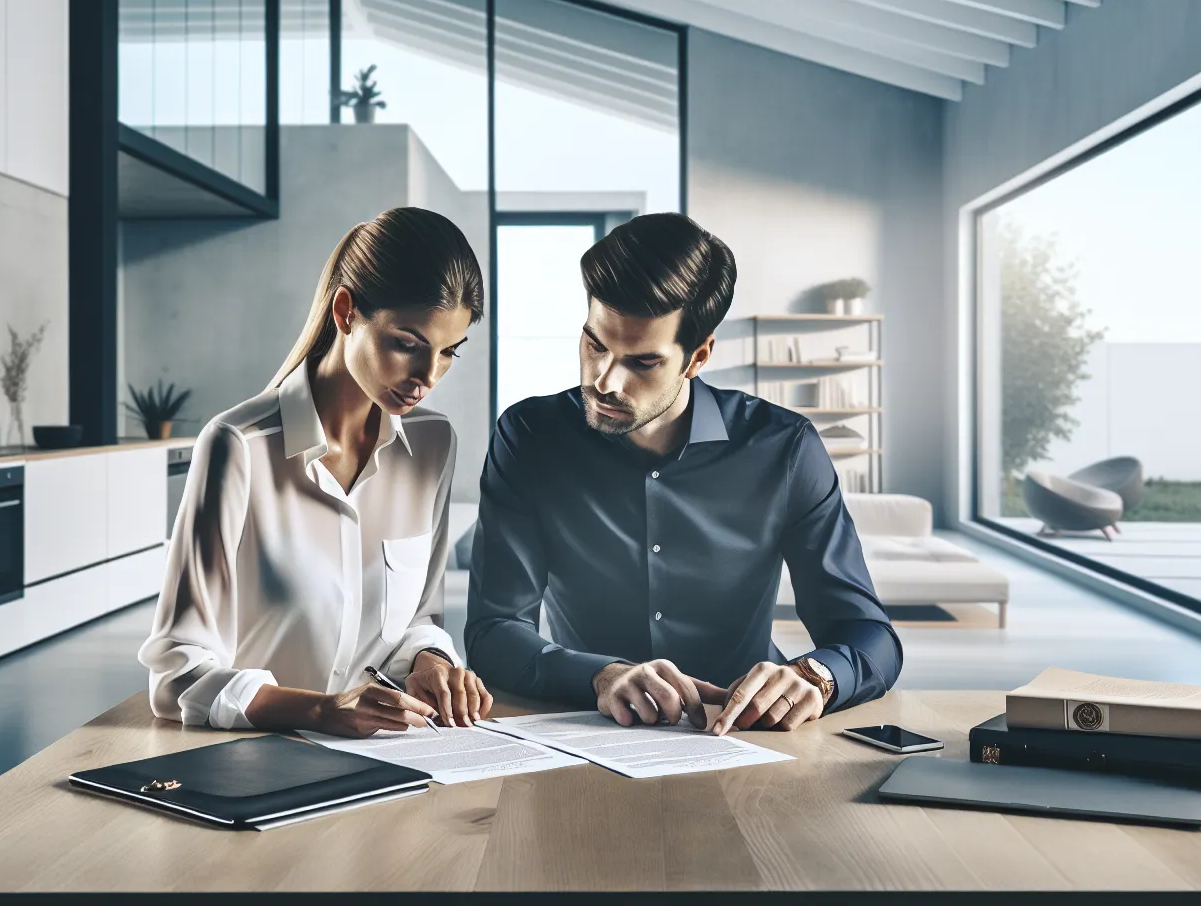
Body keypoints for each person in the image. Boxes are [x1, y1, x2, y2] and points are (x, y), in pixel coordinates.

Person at [466, 212, 901, 735]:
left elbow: (869, 634)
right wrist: (599, 676)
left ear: (698, 356)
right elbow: (494, 630)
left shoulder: (785, 448)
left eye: (642, 362)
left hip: (745, 732)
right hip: (589, 727)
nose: (604, 381)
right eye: (595, 345)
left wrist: (817, 675)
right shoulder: (529, 437)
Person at [140, 207, 493, 736]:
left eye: (448, 353)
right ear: (346, 312)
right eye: (407, 344)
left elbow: (419, 620)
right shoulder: (238, 446)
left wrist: (432, 661)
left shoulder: (433, 444)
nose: (427, 376)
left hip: (393, 756)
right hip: (256, 759)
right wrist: (321, 710)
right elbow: (177, 675)